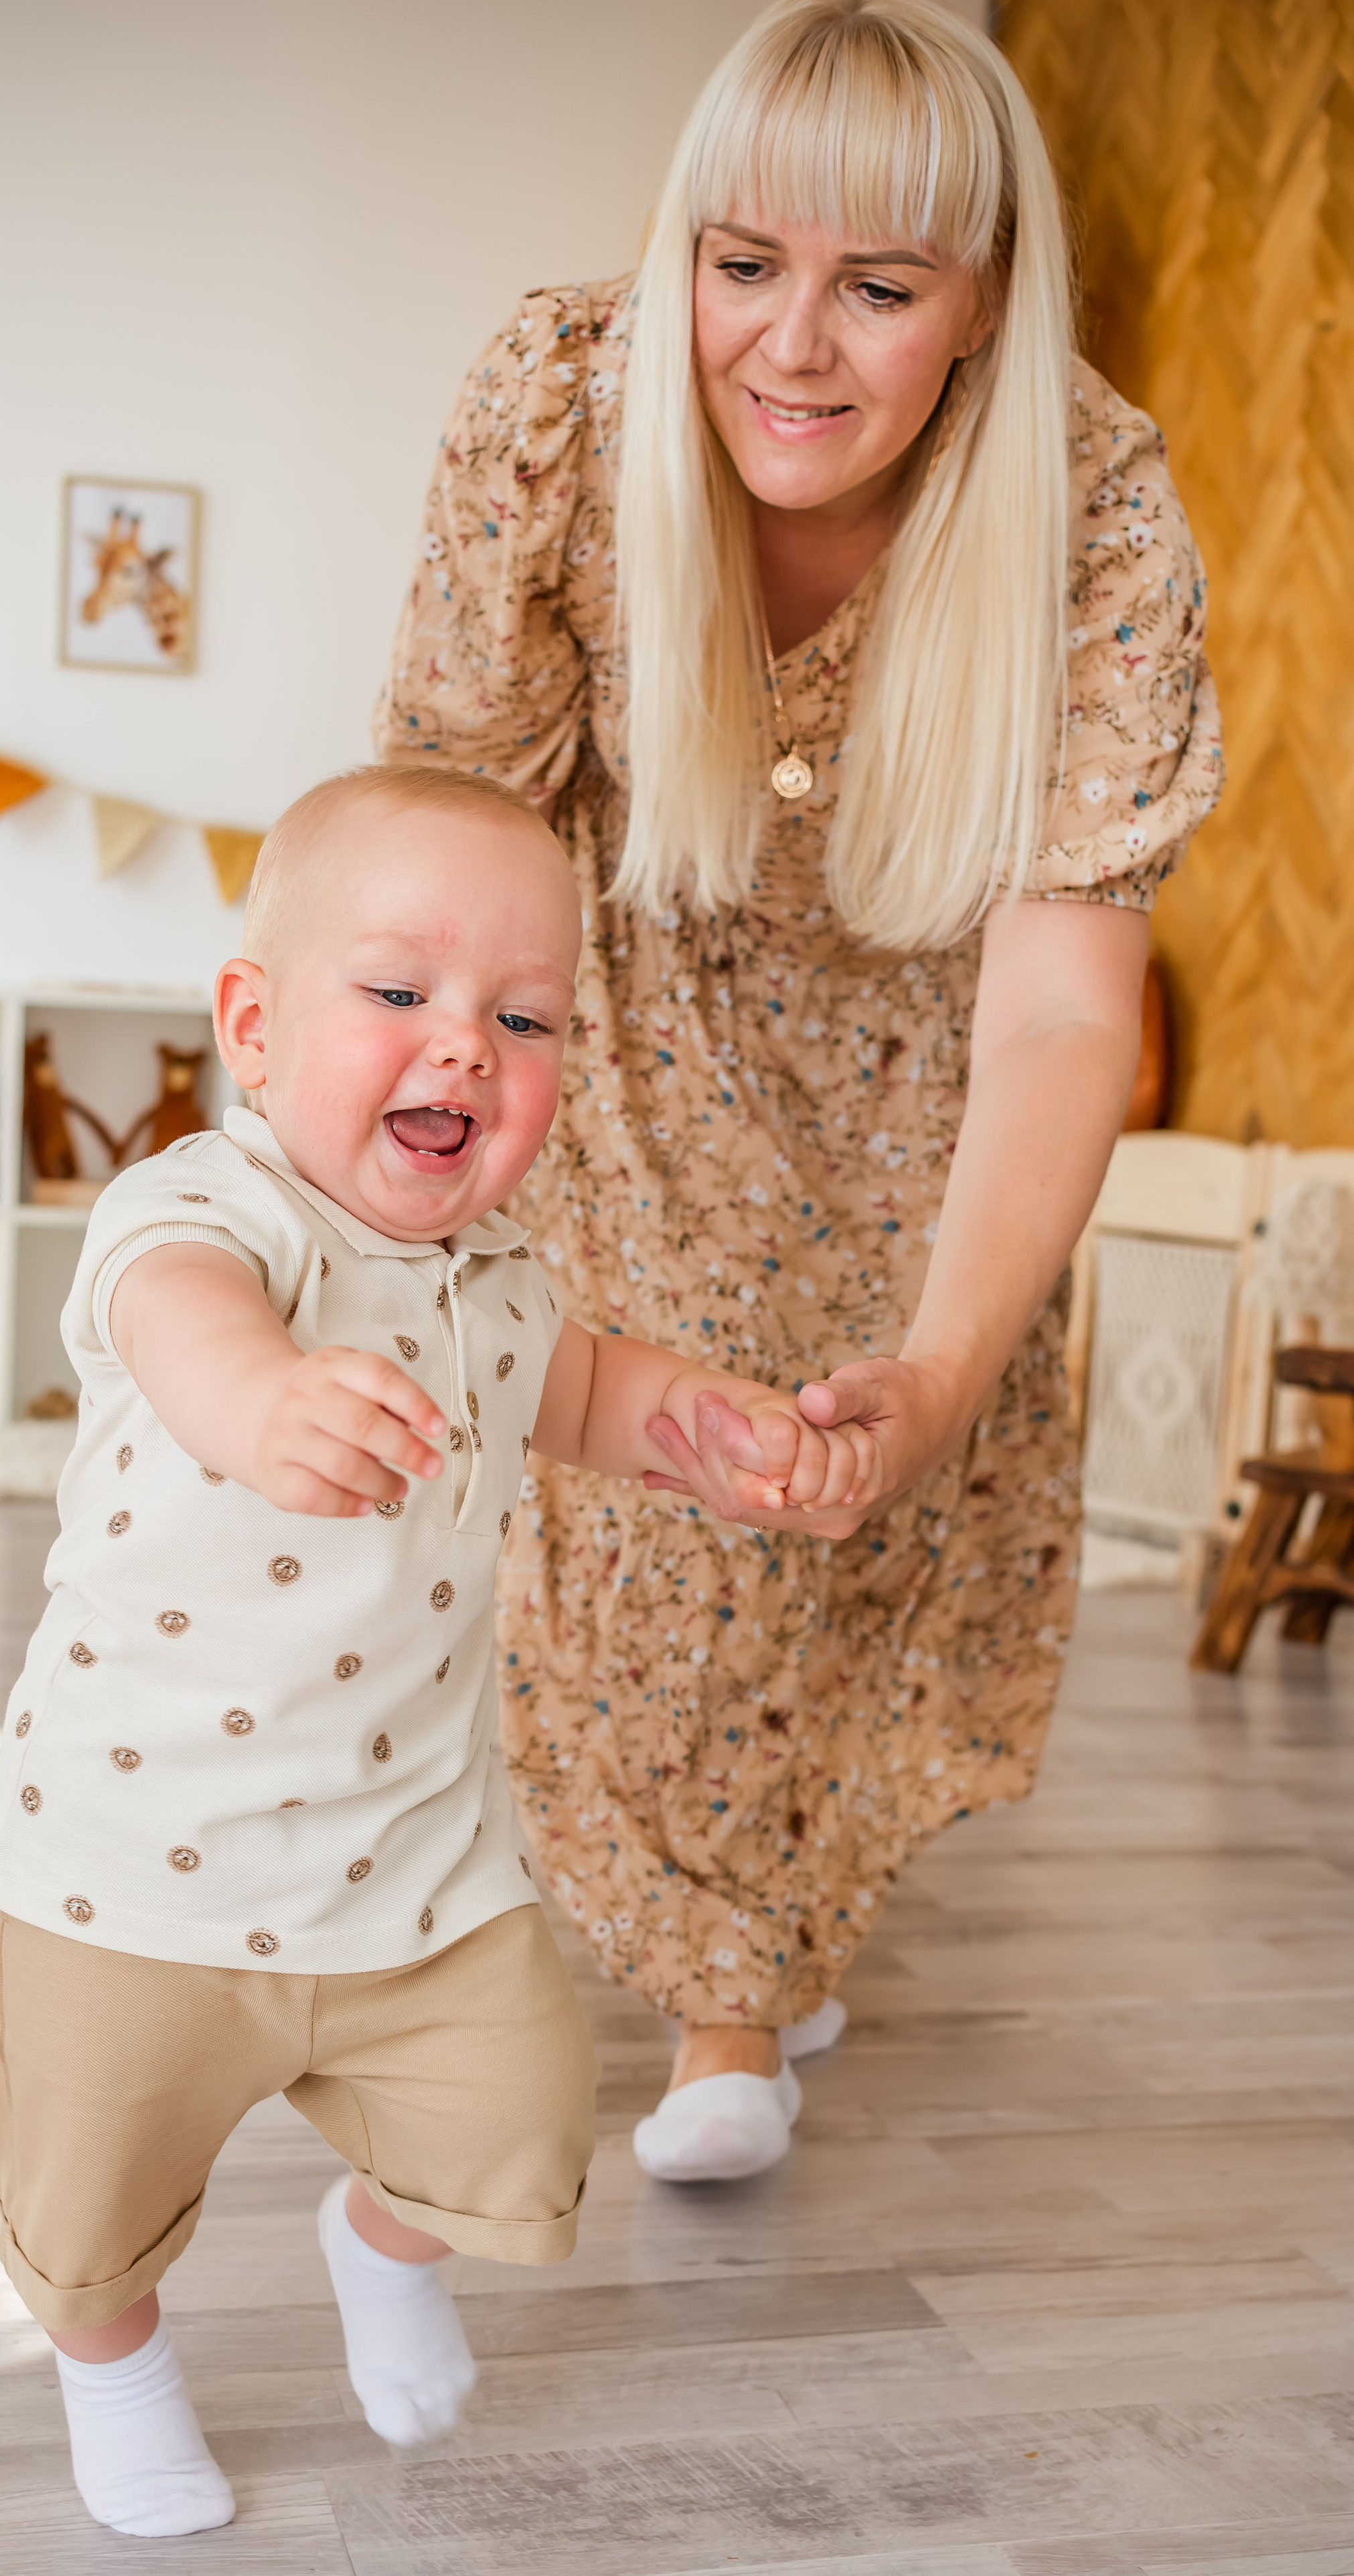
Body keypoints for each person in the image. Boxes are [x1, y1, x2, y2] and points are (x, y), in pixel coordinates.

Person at [376, 0, 1222, 2185]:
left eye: (879, 284)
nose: (794, 346)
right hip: (627, 1020)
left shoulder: (1098, 511)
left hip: (934, 1089)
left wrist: (947, 1365)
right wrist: (412, 1132)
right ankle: (723, 2008)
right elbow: (463, 817)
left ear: (986, 304)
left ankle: (771, 1914)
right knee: (671, 1503)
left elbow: (1057, 1010)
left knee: (860, 1518)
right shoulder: (561, 401)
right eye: (742, 262)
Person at [0, 763, 865, 2539]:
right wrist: (266, 1398)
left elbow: (598, 1391)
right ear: (254, 1024)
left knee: (528, 2107)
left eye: (523, 1016)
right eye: (399, 992)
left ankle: (378, 2247)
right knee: (83, 2192)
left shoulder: (508, 1285)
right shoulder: (199, 1211)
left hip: (416, 1867)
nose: (465, 1044)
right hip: (128, 1873)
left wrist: (729, 1436)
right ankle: (119, 2373)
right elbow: (180, 1321)